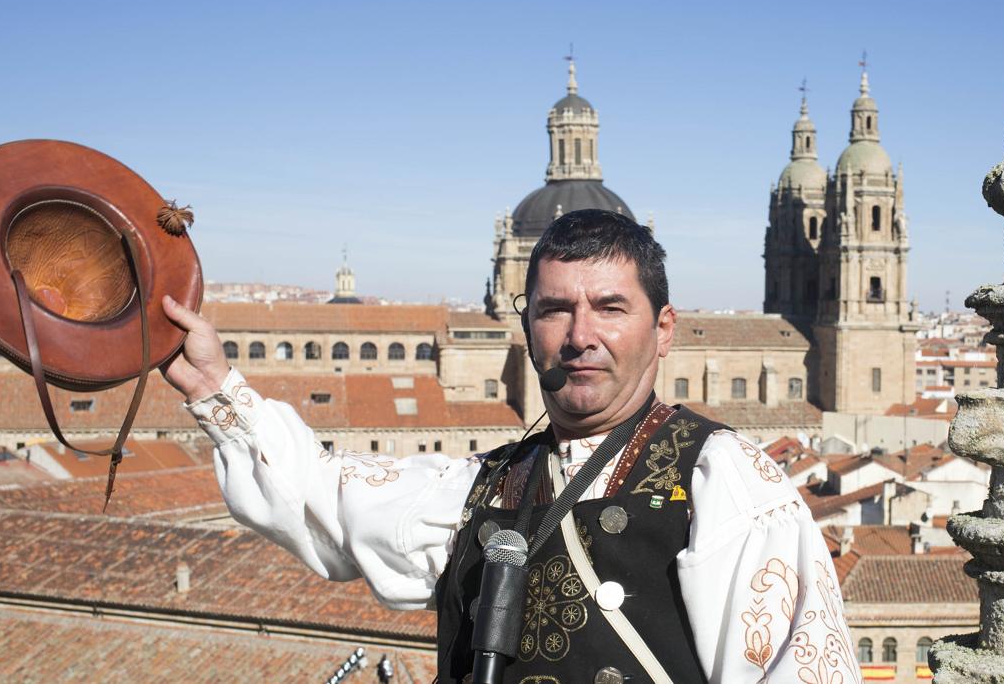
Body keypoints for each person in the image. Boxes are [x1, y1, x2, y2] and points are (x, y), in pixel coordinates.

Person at [162, 209, 860, 682]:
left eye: (611, 308)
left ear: (664, 329)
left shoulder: (730, 482)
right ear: (525, 330)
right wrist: (216, 387)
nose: (580, 335)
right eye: (555, 309)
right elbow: (325, 499)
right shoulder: (479, 489)